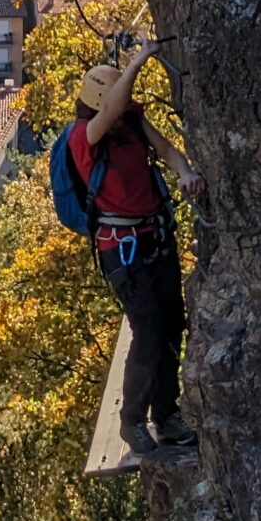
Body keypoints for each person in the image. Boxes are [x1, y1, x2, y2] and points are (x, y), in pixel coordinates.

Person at [68, 39, 202, 458]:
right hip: (122, 249)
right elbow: (110, 111)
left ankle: (166, 414)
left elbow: (165, 149)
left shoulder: (132, 126)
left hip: (154, 239)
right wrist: (139, 60)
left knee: (172, 324)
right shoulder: (84, 137)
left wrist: (184, 171)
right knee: (147, 332)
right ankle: (132, 421)